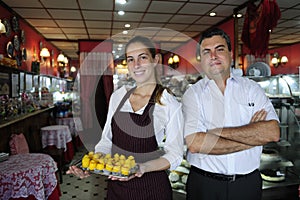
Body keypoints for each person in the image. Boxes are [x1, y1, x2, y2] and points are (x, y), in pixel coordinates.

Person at [67, 35, 184, 200]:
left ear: (155, 60)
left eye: (142, 57)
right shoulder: (118, 96)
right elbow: (107, 141)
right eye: (130, 59)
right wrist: (92, 164)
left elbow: (176, 155)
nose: (136, 65)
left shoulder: (169, 103)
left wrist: (141, 168)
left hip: (152, 188)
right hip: (118, 187)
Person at [182, 27, 280, 200]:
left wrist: (215, 132)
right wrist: (252, 137)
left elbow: (272, 132)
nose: (213, 56)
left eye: (219, 49)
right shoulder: (193, 94)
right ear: (201, 59)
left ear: (230, 53)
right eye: (207, 52)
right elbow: (196, 144)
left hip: (247, 185)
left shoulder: (252, 89)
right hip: (204, 185)